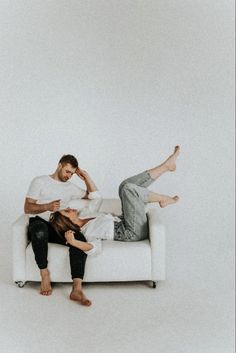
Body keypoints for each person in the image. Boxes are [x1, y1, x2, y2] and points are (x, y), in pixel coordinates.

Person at [49, 146, 180, 259]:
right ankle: (163, 199)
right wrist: (74, 242)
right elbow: (94, 250)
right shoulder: (86, 232)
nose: (71, 208)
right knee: (129, 189)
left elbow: (96, 197)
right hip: (131, 232)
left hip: (126, 222)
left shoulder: (84, 214)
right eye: (67, 211)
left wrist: (86, 178)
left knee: (124, 186)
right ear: (67, 222)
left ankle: (166, 166)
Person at [24, 154, 101, 306]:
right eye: (67, 171)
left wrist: (85, 177)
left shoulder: (70, 187)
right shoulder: (40, 181)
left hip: (59, 225)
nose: (69, 176)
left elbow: (94, 196)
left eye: (72, 173)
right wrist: (47, 206)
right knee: (40, 231)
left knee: (77, 239)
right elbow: (27, 207)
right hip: (40, 221)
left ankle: (77, 288)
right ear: (59, 165)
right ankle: (44, 273)